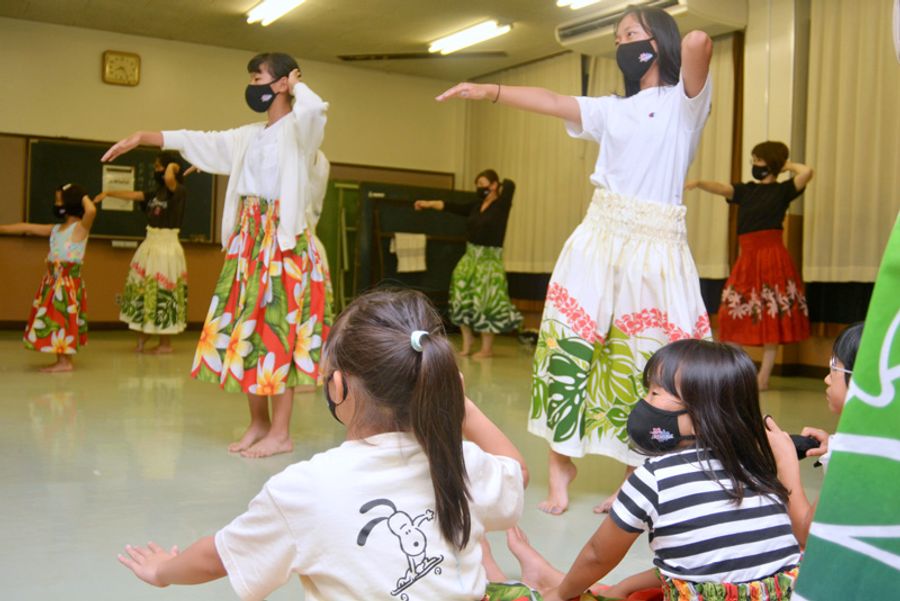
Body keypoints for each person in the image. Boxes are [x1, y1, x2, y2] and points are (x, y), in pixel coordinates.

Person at [437, 6, 714, 514]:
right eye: (617, 38)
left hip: (657, 247)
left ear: (659, 42)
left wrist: (672, 34)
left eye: (631, 35)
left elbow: (698, 41)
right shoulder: (612, 110)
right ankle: (561, 463)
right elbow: (550, 100)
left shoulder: (684, 105)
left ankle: (637, 472)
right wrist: (490, 91)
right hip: (598, 236)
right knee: (569, 345)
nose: (621, 44)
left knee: (648, 361)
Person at [117, 288, 530, 601]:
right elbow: (516, 472)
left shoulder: (305, 488)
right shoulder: (460, 462)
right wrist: (463, 410)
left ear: (337, 385)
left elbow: (219, 556)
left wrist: (164, 570)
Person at [101, 52, 332, 458]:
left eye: (258, 77)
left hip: (283, 242)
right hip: (249, 240)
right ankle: (258, 423)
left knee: (278, 328)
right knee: (246, 329)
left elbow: (316, 110)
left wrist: (296, 84)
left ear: (281, 83)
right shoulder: (248, 135)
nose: (252, 84)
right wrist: (144, 136)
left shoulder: (301, 130)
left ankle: (281, 432)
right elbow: (198, 140)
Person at [499, 340, 803, 601]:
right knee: (626, 591)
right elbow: (713, 563)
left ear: (700, 412)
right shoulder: (756, 468)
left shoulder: (654, 478)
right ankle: (550, 574)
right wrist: (624, 586)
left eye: (655, 394)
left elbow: (598, 555)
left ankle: (548, 580)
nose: (645, 403)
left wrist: (563, 594)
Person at [685, 141, 814, 390]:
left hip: (773, 257)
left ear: (771, 164)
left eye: (758, 160)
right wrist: (700, 183)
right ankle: (740, 373)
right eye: (753, 160)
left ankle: (763, 378)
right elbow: (722, 188)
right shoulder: (747, 190)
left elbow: (806, 172)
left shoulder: (784, 190)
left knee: (770, 316)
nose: (754, 165)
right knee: (731, 314)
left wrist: (785, 164)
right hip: (748, 257)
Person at [765, 322, 864, 547]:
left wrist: (785, 463)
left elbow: (808, 536)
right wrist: (833, 445)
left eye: (834, 368)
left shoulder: (855, 457)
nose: (827, 379)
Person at [414, 169, 523, 357]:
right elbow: (449, 206)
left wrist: (499, 185)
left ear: (494, 185)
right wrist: (428, 204)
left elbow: (511, 183)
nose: (479, 188)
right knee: (460, 296)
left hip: (489, 260)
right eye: (477, 185)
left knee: (485, 301)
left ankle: (487, 348)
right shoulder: (476, 205)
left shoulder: (502, 205)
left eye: (483, 184)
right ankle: (468, 341)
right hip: (470, 256)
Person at [94, 152, 190, 354]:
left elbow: (170, 178)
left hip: (167, 247)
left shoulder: (178, 191)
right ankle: (143, 335)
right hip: (151, 245)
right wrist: (109, 193)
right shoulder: (156, 193)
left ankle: (165, 344)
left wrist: (172, 166)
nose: (157, 170)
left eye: (159, 166)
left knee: (164, 292)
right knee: (145, 291)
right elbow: (134, 195)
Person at [0, 184, 99, 372]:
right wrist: (2, 228)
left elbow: (91, 209)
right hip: (53, 281)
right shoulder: (55, 229)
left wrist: (79, 193)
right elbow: (26, 227)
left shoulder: (80, 228)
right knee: (58, 319)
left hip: (67, 283)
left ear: (70, 203)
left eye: (59, 200)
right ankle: (63, 359)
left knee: (62, 319)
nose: (56, 204)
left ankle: (64, 362)